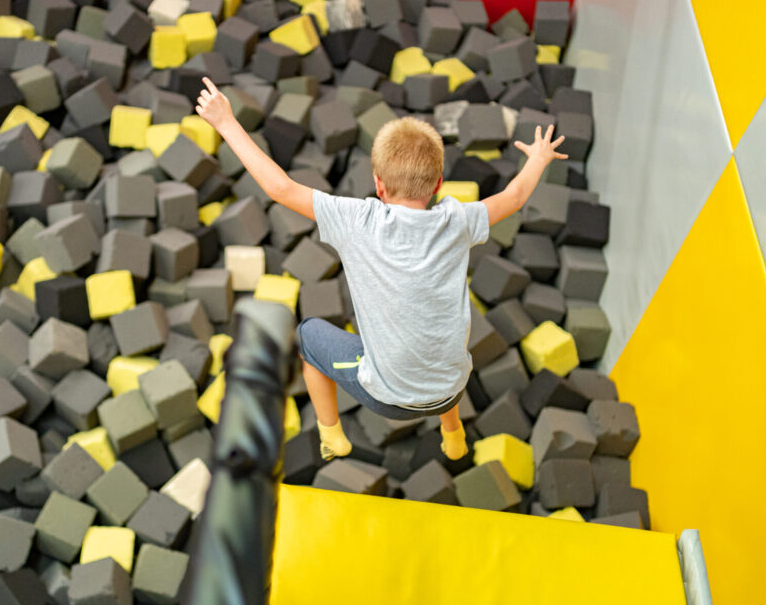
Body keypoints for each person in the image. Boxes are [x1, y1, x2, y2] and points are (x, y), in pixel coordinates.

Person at [195, 77, 568, 462]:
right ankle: (453, 433)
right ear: (439, 183)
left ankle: (331, 435)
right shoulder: (459, 220)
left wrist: (226, 123)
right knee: (437, 352)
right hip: (453, 387)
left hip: (388, 399)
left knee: (307, 337)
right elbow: (515, 195)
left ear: (377, 184)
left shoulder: (357, 219)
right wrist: (538, 157)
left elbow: (281, 188)